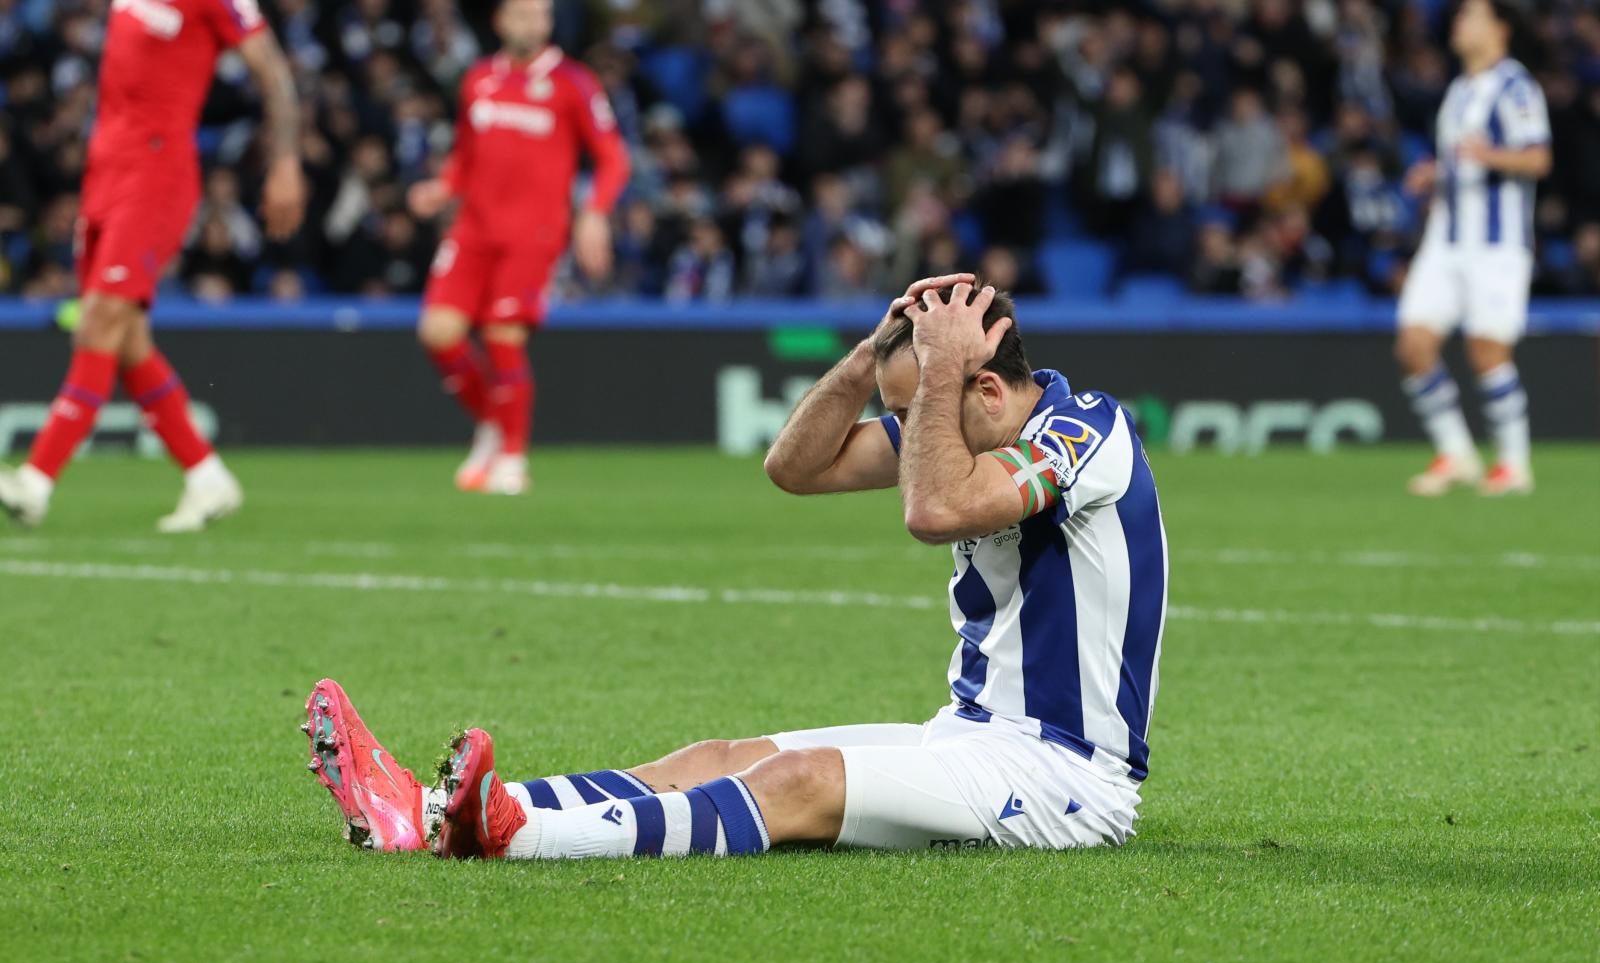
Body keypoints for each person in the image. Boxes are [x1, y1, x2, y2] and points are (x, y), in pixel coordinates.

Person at [302, 272, 1169, 859]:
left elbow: (934, 511)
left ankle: (510, 833)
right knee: (722, 754)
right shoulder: (963, 418)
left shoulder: (1088, 431)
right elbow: (795, 469)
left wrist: (932, 377)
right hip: (971, 737)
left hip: (1065, 777)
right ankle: (422, 813)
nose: (905, 426)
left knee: (795, 783)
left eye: (916, 406)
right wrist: (875, 358)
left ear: (982, 388)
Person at [0, 0, 305, 531]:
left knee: (100, 323)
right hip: (104, 173)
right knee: (126, 338)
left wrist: (284, 161)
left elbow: (273, 70)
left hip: (156, 172)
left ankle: (37, 480)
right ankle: (207, 475)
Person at [408, 0, 628, 496]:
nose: (533, 23)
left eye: (541, 15)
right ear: (499, 20)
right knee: (437, 331)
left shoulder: (574, 82)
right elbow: (466, 156)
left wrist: (592, 212)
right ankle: (494, 422)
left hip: (534, 232)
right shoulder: (479, 78)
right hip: (474, 229)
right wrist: (441, 189)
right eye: (523, 14)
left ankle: (512, 458)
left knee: (502, 334)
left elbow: (613, 157)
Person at [1394, 0, 1550, 496]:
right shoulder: (1460, 91)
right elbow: (1462, 161)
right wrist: (1435, 174)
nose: (1459, 24)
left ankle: (1513, 462)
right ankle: (1456, 453)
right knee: (1414, 344)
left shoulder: (1516, 86)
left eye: (1471, 17)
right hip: (1445, 240)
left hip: (1497, 244)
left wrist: (1490, 155)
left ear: (1499, 29)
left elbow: (1538, 159)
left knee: (1487, 349)